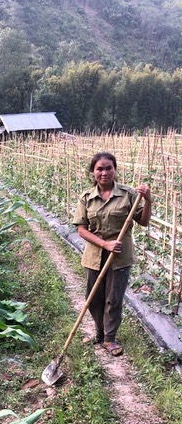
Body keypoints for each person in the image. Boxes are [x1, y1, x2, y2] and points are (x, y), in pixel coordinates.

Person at [73, 151, 152, 356]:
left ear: (115, 170)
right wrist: (104, 244)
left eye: (109, 168)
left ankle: (110, 338)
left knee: (113, 298)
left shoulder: (128, 195)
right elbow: (81, 229)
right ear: (93, 172)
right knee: (93, 297)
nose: (104, 172)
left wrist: (148, 201)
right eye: (100, 168)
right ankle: (99, 332)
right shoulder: (86, 198)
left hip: (120, 256)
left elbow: (143, 222)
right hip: (94, 255)